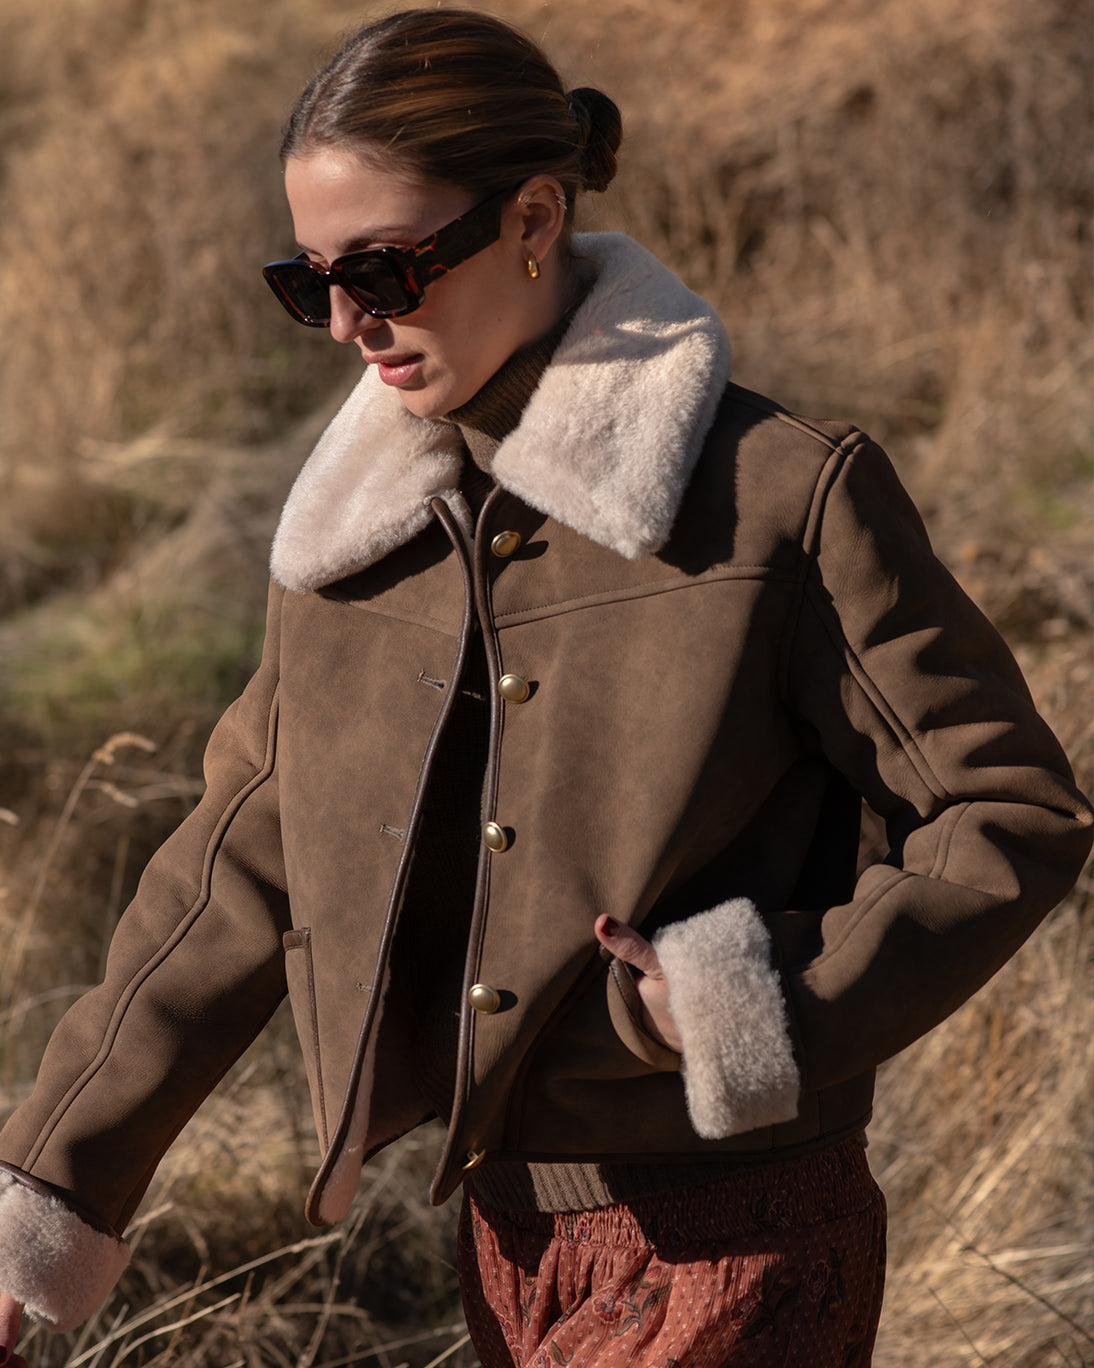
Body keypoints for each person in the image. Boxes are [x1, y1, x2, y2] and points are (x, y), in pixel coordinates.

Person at [0, 9, 1089, 1366]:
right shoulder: (349, 547)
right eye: (309, 280)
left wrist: (750, 1006)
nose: (347, 322)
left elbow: (1007, 810)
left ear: (533, 215)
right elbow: (234, 876)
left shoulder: (779, 498)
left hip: (739, 1235)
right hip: (505, 1242)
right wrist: (45, 1194)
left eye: (385, 269)